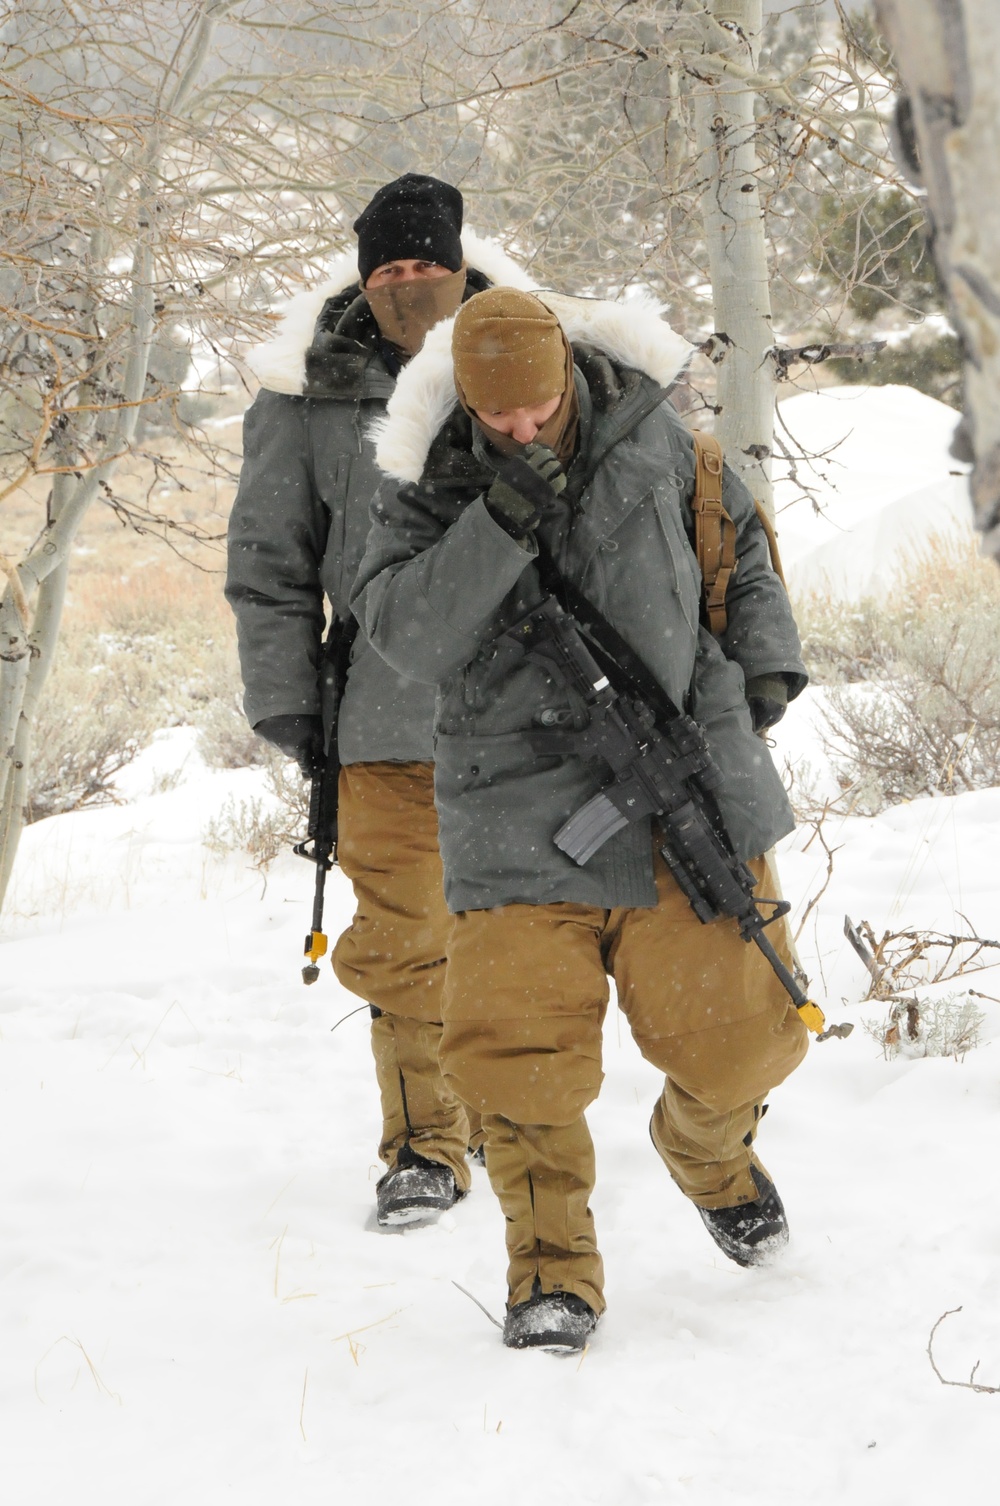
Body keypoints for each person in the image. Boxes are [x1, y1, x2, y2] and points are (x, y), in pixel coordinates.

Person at [353, 286, 811, 1348]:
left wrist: (765, 675)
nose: (521, 428)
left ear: (568, 372)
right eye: (497, 416)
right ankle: (551, 1273)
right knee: (520, 1067)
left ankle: (707, 1151)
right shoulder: (424, 484)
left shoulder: (659, 435)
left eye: (538, 407)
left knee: (745, 1040)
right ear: (466, 398)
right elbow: (405, 634)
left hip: (678, 780)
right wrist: (497, 520)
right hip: (511, 812)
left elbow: (736, 538)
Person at [225, 177, 538, 1228]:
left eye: (426, 266)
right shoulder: (306, 396)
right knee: (409, 938)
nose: (410, 285)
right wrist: (287, 704)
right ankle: (424, 1146)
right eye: (389, 270)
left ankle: (509, 1122)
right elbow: (269, 564)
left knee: (515, 935)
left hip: (531, 715)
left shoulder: (530, 367)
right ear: (365, 276)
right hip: (382, 720)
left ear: (460, 264)